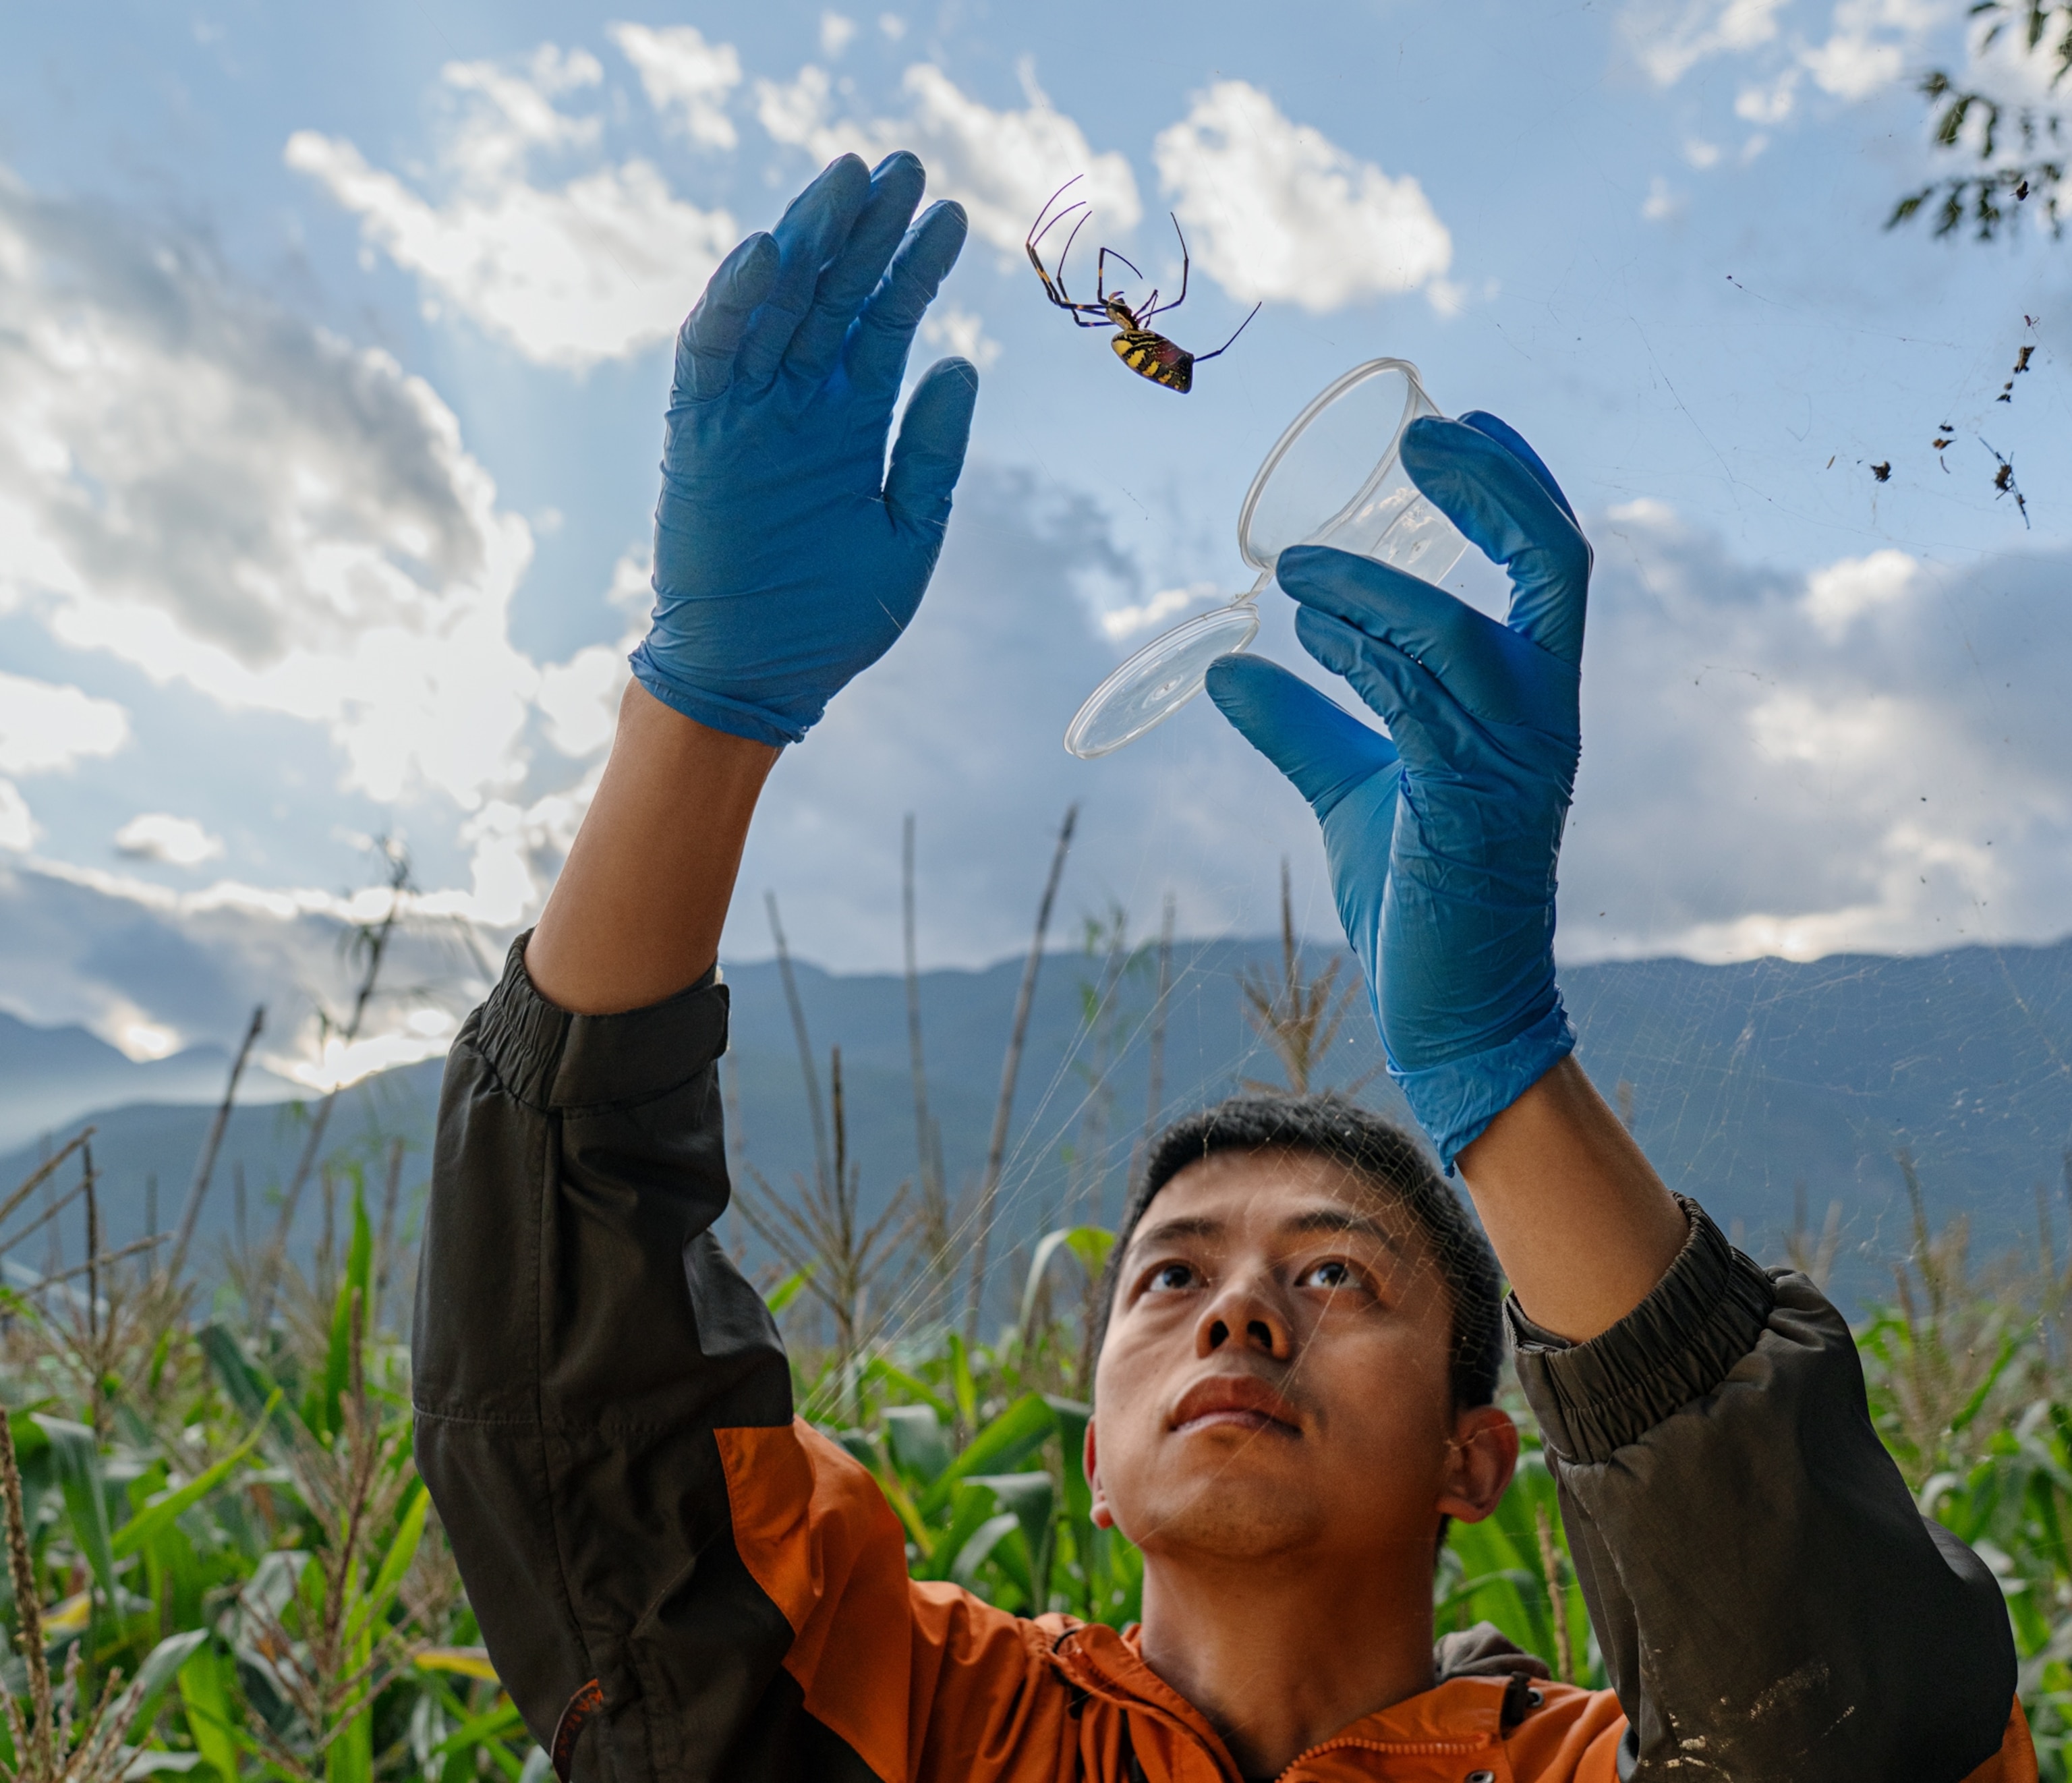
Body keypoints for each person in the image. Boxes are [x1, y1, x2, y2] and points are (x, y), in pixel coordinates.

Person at [412, 151, 2033, 1782]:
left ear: (1481, 1455)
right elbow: (574, 1425)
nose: (1238, 1310)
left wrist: (1503, 1070)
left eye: (1338, 1275)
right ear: (1099, 1463)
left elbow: (1855, 1721)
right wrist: (700, 715)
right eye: (1168, 1277)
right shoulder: (909, 1711)